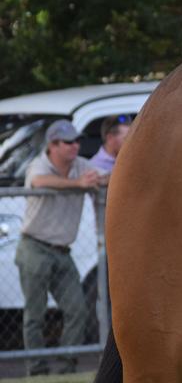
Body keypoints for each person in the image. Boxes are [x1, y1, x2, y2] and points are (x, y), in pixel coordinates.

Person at [16, 119, 100, 376]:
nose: (75, 146)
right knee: (35, 315)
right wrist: (79, 185)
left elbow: (98, 176)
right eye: (68, 142)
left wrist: (100, 179)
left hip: (63, 251)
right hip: (34, 247)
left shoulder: (80, 165)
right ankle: (37, 369)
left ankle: (67, 368)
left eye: (77, 141)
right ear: (53, 145)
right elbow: (39, 182)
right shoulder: (39, 164)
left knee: (78, 310)